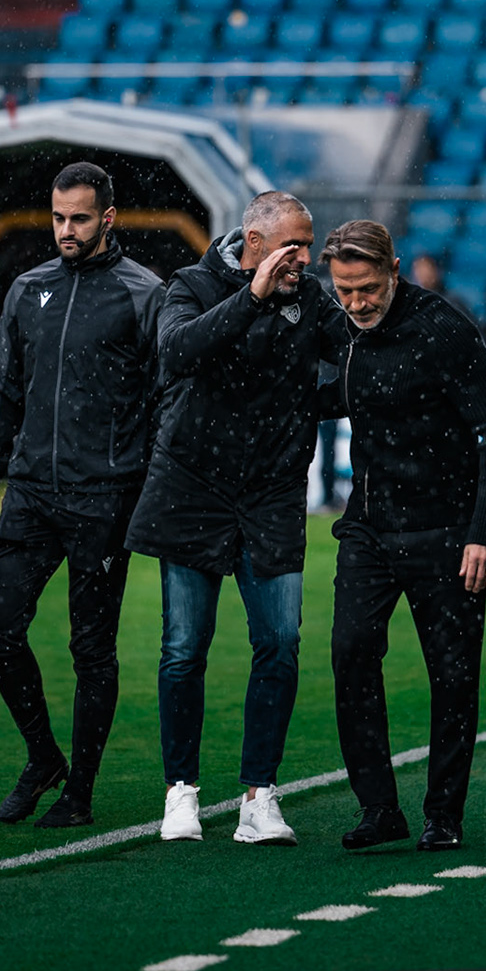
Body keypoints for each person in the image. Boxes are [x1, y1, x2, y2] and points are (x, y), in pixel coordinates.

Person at [126, 190, 346, 846]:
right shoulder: (189, 286)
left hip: (273, 494)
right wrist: (251, 296)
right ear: (255, 241)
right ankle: (181, 792)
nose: (307, 257)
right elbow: (179, 352)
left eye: (310, 245)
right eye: (296, 244)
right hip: (192, 490)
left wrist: (309, 406)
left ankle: (259, 797)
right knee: (183, 649)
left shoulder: (310, 298)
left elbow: (358, 359)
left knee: (279, 643)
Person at [0, 162, 164, 828]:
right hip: (32, 494)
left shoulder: (144, 293)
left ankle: (80, 794)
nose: (65, 231)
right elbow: (1, 387)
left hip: (106, 499)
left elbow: (166, 399)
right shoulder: (27, 289)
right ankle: (43, 758)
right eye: (57, 218)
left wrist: (152, 488)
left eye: (78, 218)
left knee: (90, 651)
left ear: (108, 217)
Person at [318, 221, 486, 854]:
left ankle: (443, 814)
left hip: (448, 533)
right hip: (369, 530)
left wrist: (484, 535)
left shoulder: (444, 328)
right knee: (350, 655)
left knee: (453, 677)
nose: (355, 304)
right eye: (344, 291)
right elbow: (329, 395)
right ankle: (380, 808)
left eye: (367, 289)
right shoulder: (343, 328)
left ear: (395, 271)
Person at [412, 253, 473, 319]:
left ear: (436, 270)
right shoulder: (413, 303)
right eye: (419, 270)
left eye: (426, 269)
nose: (423, 275)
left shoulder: (452, 301)